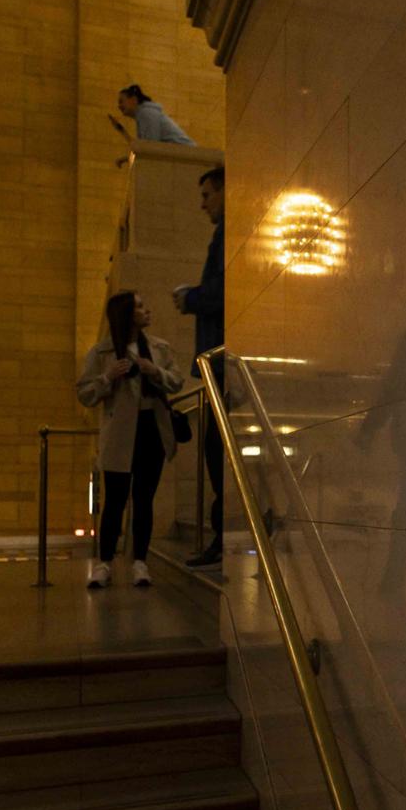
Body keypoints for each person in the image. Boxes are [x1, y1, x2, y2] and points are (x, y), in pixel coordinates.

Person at [77, 290, 186, 588]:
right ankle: (104, 563)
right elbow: (84, 394)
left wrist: (155, 371)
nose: (147, 310)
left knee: (144, 498)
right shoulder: (101, 353)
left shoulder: (160, 348)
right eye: (139, 306)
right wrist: (107, 377)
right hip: (119, 433)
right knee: (114, 500)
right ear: (126, 314)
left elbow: (177, 380)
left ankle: (140, 561)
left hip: (152, 428)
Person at [172, 166, 225, 566]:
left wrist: (189, 298)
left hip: (220, 361)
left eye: (207, 195)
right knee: (215, 450)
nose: (202, 204)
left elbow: (223, 294)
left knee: (216, 451)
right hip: (218, 363)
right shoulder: (222, 235)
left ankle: (223, 536)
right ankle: (224, 534)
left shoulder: (226, 236)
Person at [111, 83, 195, 164]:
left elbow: (151, 148)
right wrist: (128, 158)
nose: (119, 106)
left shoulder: (146, 113)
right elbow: (146, 149)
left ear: (133, 99)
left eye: (121, 101)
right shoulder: (143, 115)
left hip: (187, 157)